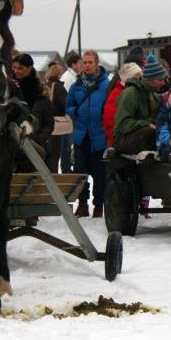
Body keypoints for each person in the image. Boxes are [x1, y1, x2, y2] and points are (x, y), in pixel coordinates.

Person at [66, 50, 110, 218]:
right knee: (80, 172)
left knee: (100, 174)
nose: (87, 65)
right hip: (81, 136)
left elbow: (111, 106)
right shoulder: (77, 85)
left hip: (99, 136)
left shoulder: (106, 85)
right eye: (85, 62)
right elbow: (68, 105)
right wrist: (76, 110)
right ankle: (82, 204)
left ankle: (98, 206)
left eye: (90, 62)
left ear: (97, 63)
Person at [113, 55, 167, 154]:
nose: (163, 83)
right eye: (160, 80)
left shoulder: (152, 94)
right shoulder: (130, 94)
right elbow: (122, 123)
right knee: (150, 132)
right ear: (150, 80)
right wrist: (146, 124)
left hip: (137, 136)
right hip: (122, 140)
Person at [12, 53, 54, 170]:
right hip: (13, 144)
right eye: (14, 68)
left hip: (35, 143)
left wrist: (38, 140)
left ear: (29, 68)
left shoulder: (40, 93)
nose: (16, 71)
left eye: (20, 68)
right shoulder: (9, 90)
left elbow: (49, 124)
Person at [103, 62, 143, 148]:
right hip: (121, 143)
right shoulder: (117, 94)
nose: (142, 80)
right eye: (139, 77)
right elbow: (111, 122)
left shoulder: (135, 92)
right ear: (131, 78)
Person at [59, 52, 82, 173]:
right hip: (69, 116)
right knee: (67, 145)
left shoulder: (73, 77)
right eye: (80, 63)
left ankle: (67, 167)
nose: (82, 65)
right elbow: (67, 99)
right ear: (73, 64)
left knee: (69, 144)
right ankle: (66, 169)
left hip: (72, 115)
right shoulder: (68, 78)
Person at [45, 63, 70, 173]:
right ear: (59, 73)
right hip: (56, 125)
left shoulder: (44, 85)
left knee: (47, 155)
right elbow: (66, 103)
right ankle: (53, 179)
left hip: (45, 124)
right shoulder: (59, 87)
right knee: (55, 156)